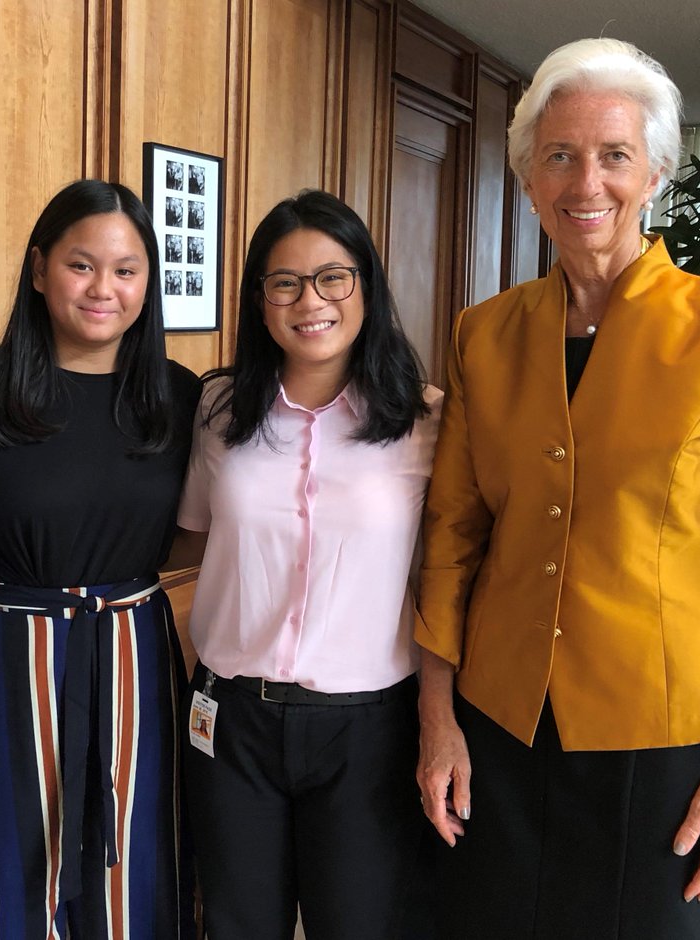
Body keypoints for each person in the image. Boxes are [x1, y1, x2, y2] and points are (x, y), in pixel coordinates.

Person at [416, 38, 700, 939]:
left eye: (613, 156)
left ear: (656, 174)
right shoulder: (485, 336)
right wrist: (438, 718)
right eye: (558, 156)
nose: (584, 183)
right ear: (528, 177)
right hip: (500, 729)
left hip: (669, 739)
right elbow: (451, 537)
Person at [0, 179, 199, 939]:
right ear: (39, 269)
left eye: (127, 269)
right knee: (3, 864)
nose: (104, 288)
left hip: (132, 657)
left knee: (131, 870)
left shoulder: (178, 398)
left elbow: (221, 527)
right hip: (6, 661)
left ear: (150, 282)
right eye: (82, 265)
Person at [174, 189, 442, 940]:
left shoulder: (428, 420)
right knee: (233, 923)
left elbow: (450, 576)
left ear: (367, 288)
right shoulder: (219, 410)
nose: (309, 300)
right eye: (284, 282)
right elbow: (189, 538)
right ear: (260, 300)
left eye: (333, 277)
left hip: (368, 728)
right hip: (229, 718)